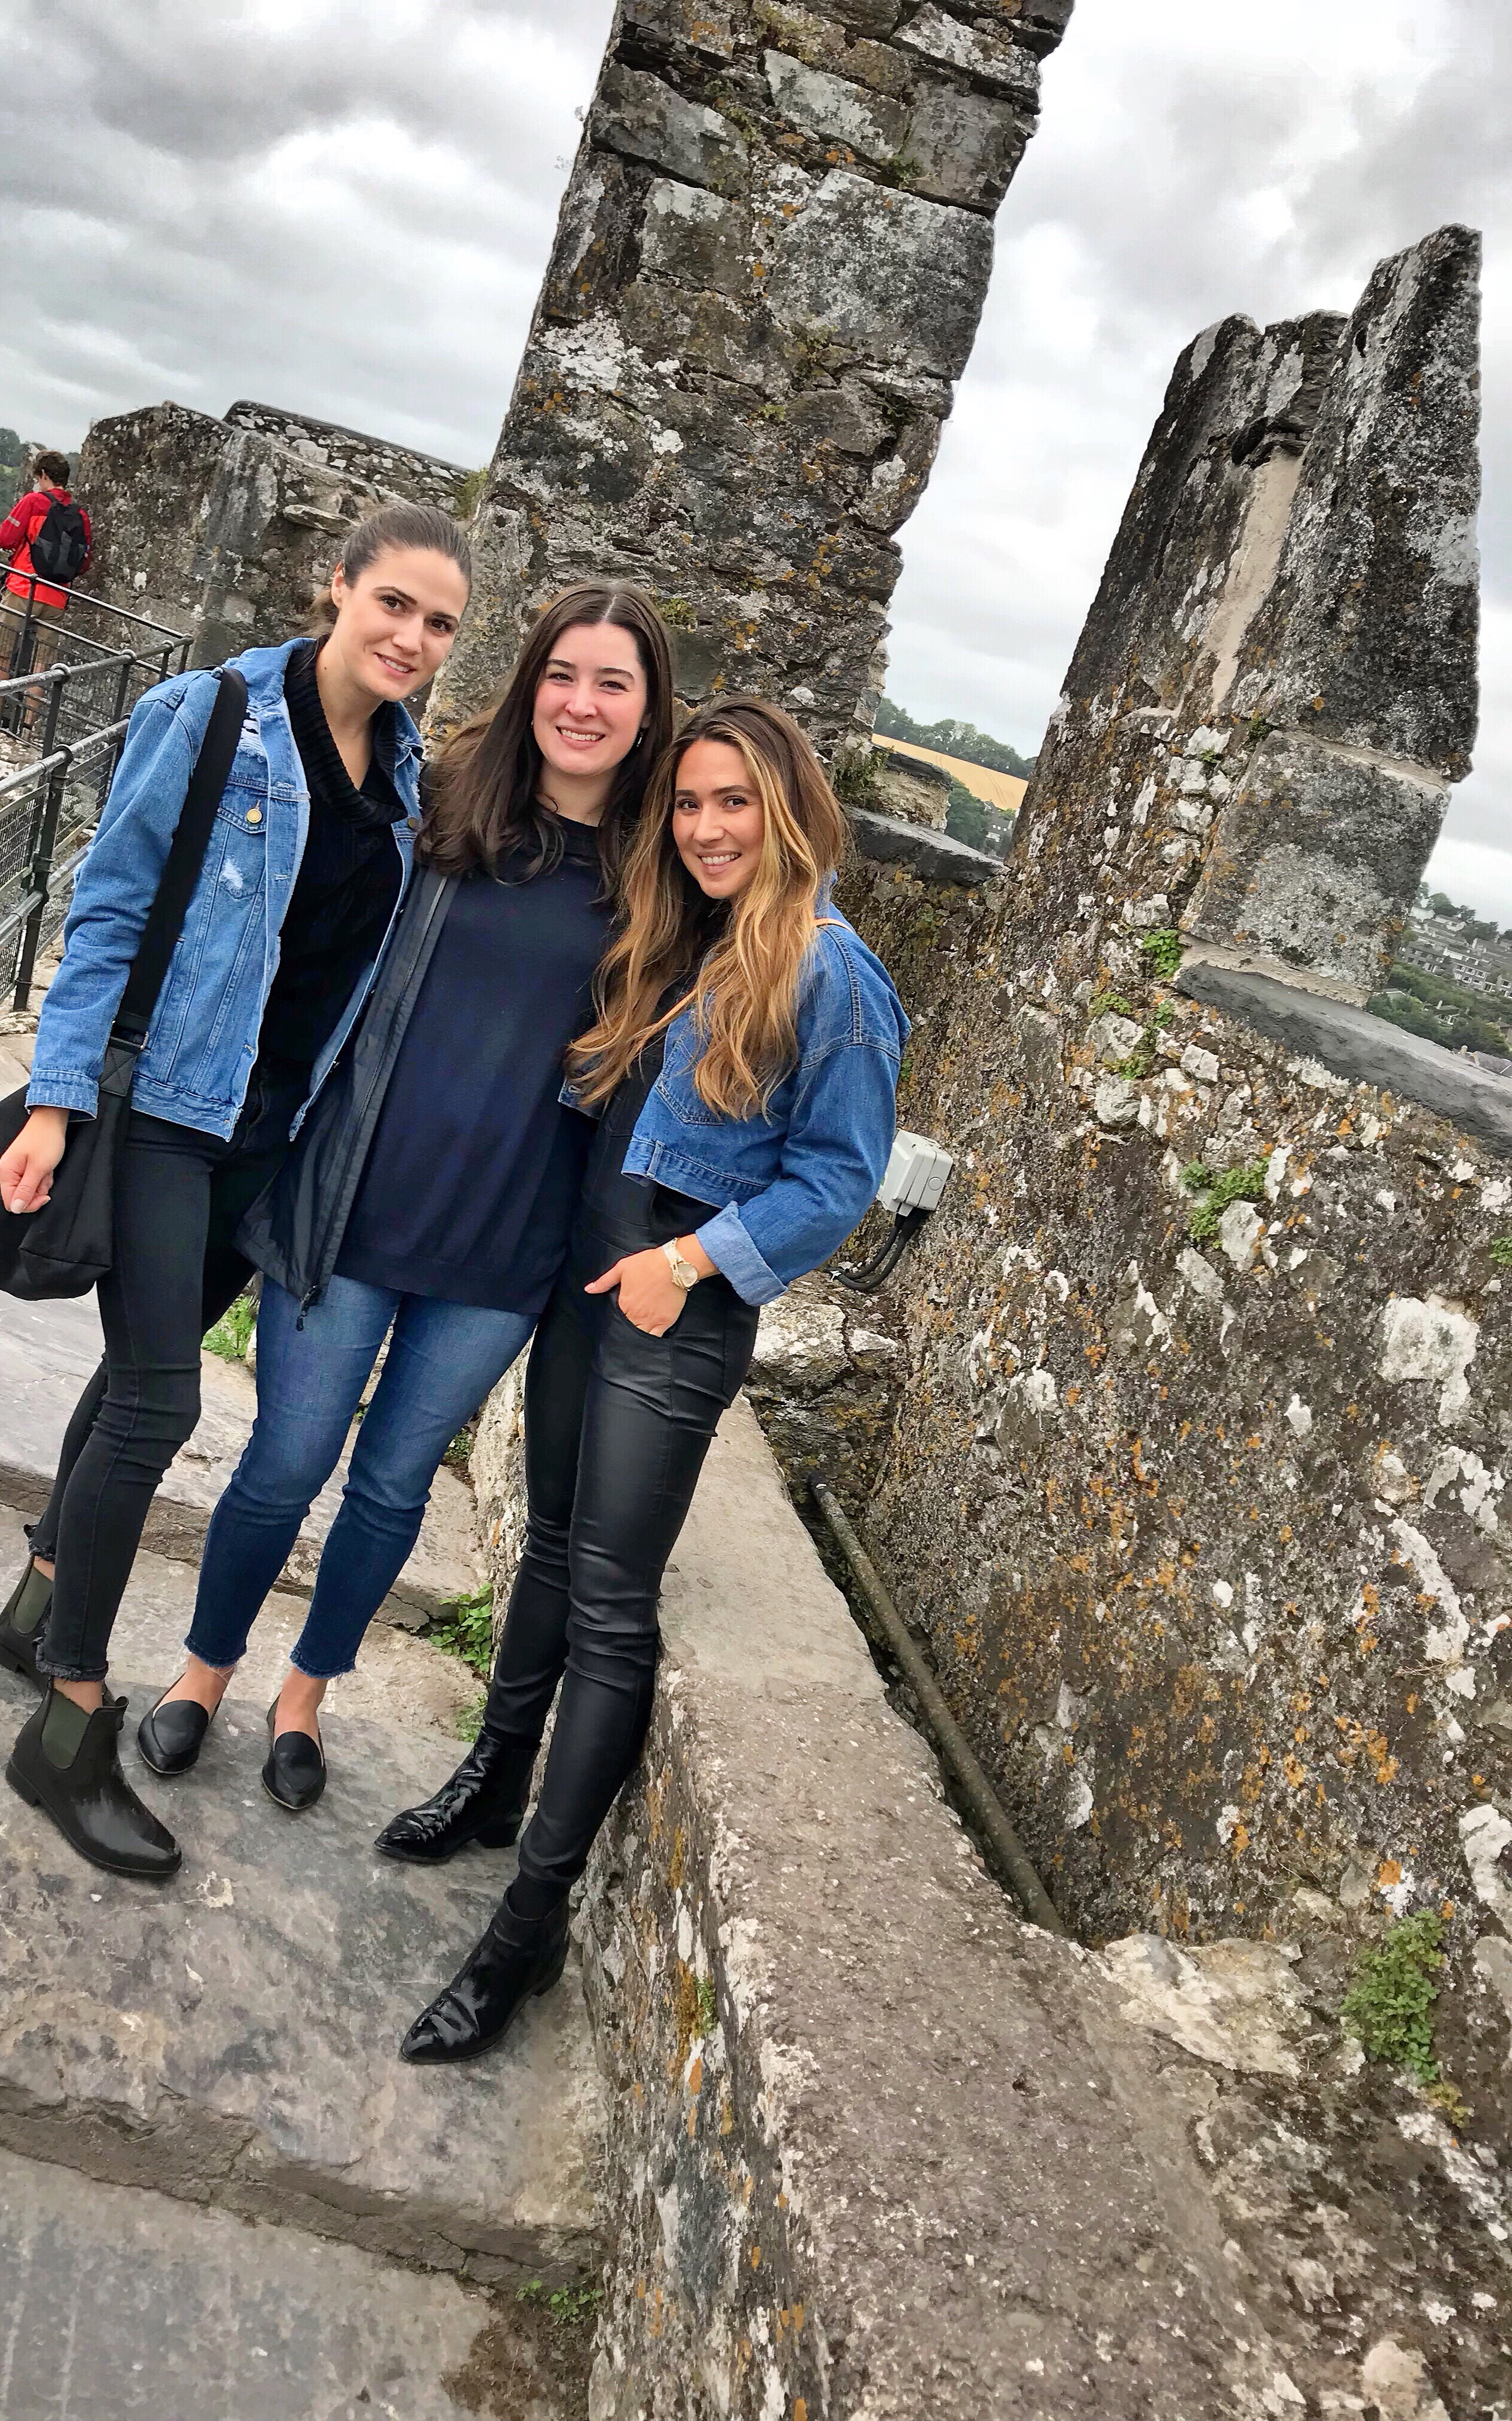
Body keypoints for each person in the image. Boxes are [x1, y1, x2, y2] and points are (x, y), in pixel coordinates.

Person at [386, 697, 911, 2064]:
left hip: (673, 1307)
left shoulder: (834, 974)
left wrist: (695, 1261)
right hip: (587, 1271)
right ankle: (496, 1779)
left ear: (790, 810)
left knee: (615, 1608)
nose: (708, 827)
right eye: (688, 805)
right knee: (552, 1547)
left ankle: (530, 1926)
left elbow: (843, 1178)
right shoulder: (677, 934)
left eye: (734, 802)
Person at [0, 500, 471, 1879]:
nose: (412, 639)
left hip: (268, 1134)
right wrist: (55, 1092)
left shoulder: (411, 782)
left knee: (130, 1381)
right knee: (159, 1400)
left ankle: (32, 1607)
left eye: (439, 623)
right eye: (395, 605)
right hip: (160, 1115)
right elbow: (109, 908)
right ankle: (70, 1719)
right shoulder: (211, 718)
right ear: (338, 589)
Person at [136, 585, 678, 1817]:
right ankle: (202, 1671)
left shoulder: (657, 879)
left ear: (649, 715)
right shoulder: (440, 803)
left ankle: (305, 1694)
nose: (582, 705)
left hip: (506, 1239)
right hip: (356, 1202)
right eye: (564, 674)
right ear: (531, 679)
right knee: (285, 1460)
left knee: (391, 1486)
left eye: (614, 685)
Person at [0, 449, 92, 728]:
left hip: (23, 588)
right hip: (57, 597)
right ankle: (29, 727)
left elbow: (6, 539)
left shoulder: (33, 502)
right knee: (42, 667)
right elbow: (83, 563)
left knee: (3, 653)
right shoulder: (79, 514)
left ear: (44, 475)